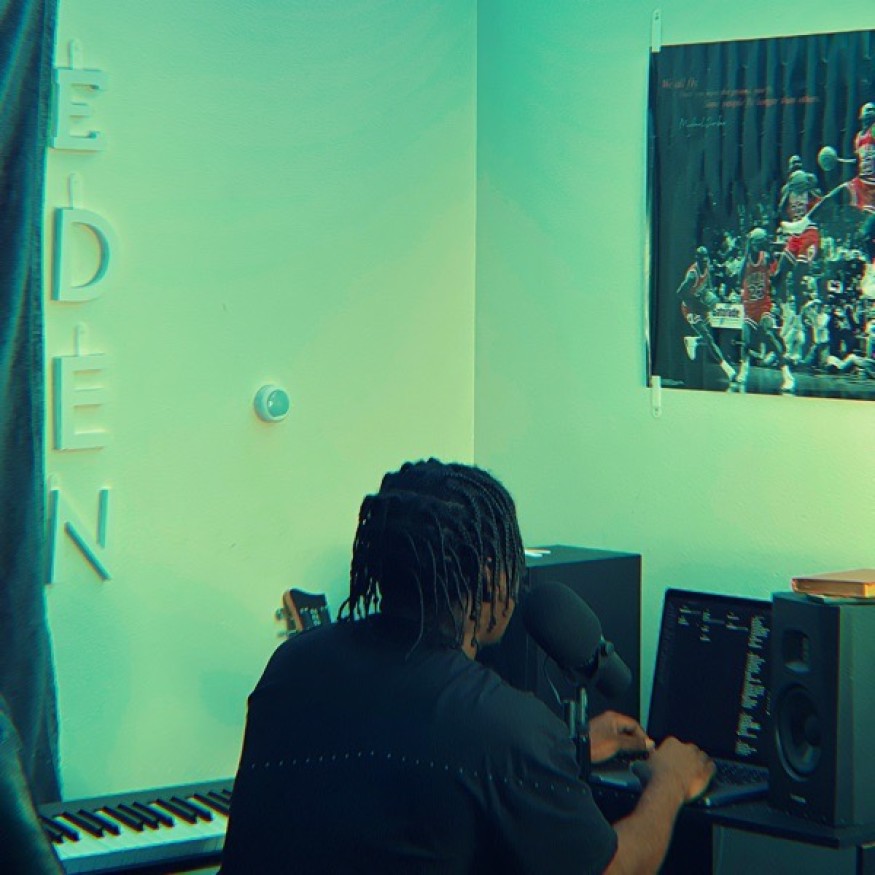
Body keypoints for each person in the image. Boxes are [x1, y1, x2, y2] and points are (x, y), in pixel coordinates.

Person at [221, 459, 713, 874]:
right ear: (489, 579)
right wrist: (669, 782)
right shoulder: (501, 723)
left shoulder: (294, 662)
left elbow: (393, 764)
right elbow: (616, 869)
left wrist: (569, 750)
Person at [676, 246, 737, 381]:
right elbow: (680, 293)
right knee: (708, 337)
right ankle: (727, 369)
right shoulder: (692, 275)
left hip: (701, 305)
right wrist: (697, 305)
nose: (705, 261)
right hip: (690, 308)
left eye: (706, 258)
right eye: (702, 259)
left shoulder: (707, 267)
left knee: (709, 336)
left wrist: (714, 299)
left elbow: (708, 286)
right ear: (697, 259)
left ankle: (693, 340)